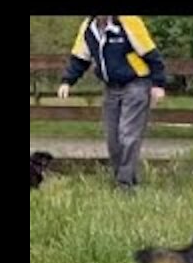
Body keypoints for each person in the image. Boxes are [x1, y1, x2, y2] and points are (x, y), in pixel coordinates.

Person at [57, 16, 167, 190]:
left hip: (136, 83)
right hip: (111, 87)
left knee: (128, 134)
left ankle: (125, 184)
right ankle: (123, 179)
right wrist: (67, 81)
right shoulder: (88, 28)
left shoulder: (129, 22)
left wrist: (158, 84)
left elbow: (151, 54)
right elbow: (79, 58)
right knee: (112, 139)